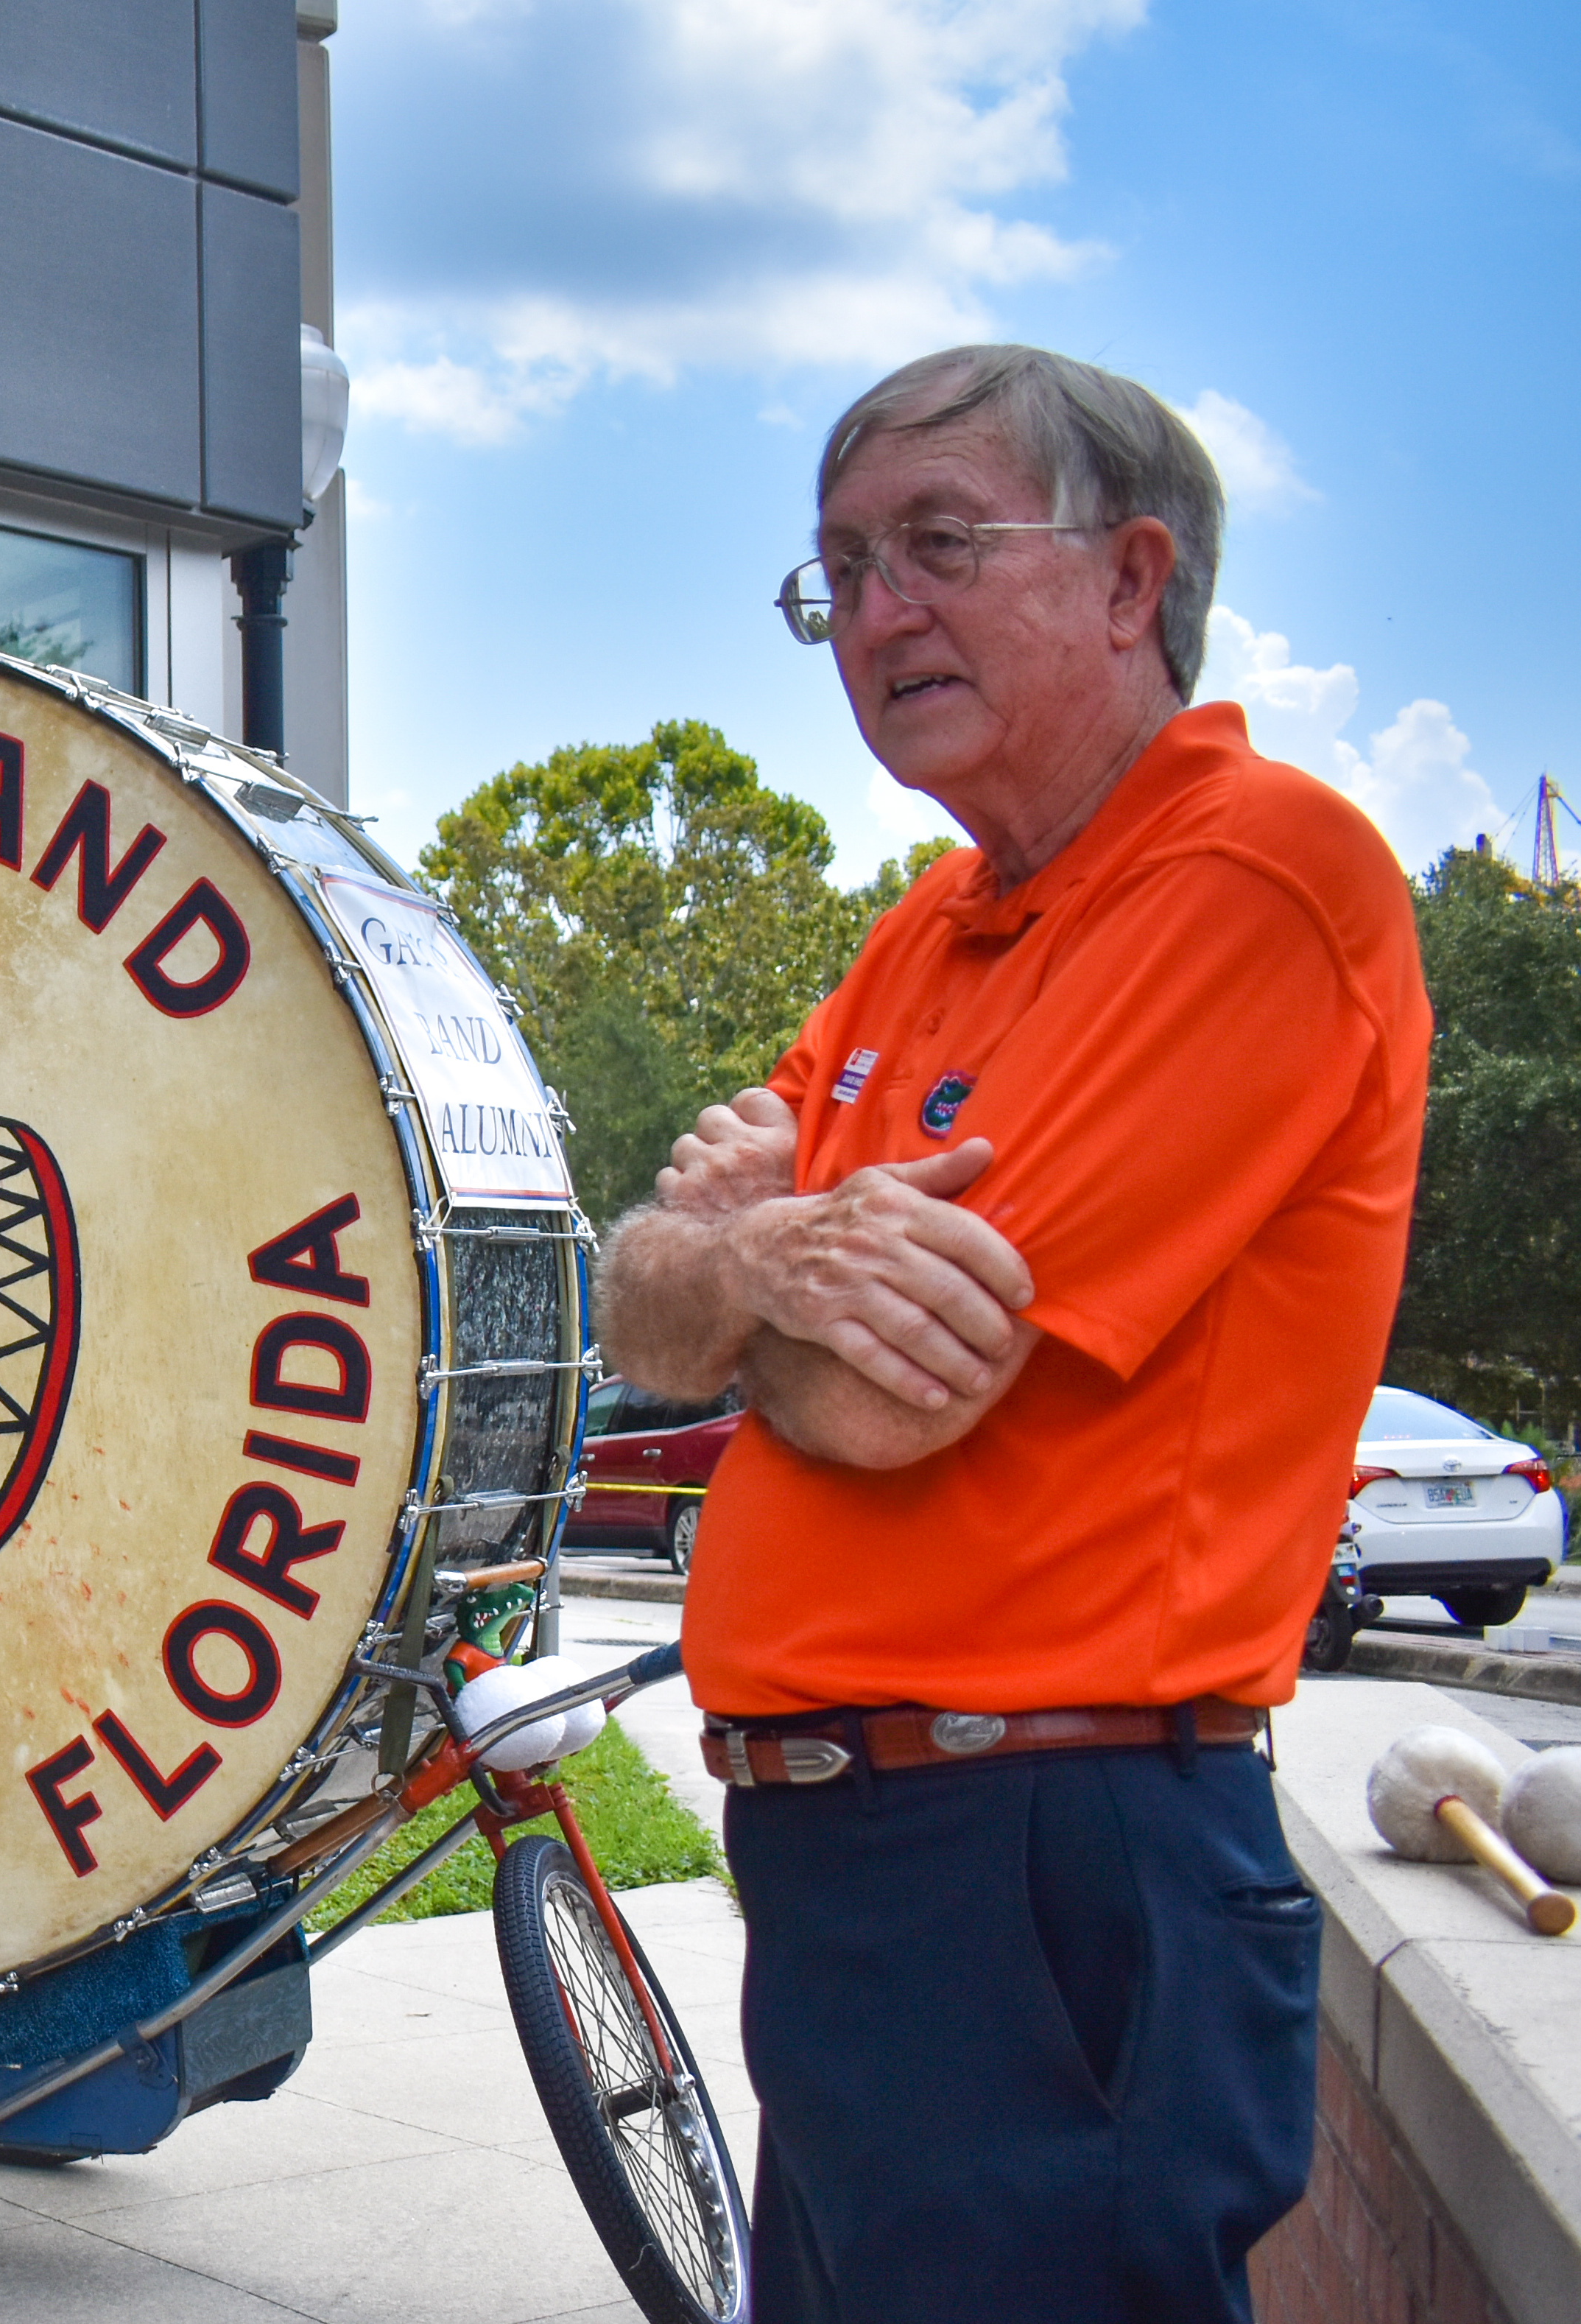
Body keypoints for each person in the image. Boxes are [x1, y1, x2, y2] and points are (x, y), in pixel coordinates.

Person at [595, 345, 1428, 2319]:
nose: (879, 614)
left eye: (941, 546)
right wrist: (756, 1265)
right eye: (842, 570)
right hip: (882, 1865)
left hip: (1047, 1861)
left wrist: (748, 1271)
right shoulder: (925, 932)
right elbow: (646, 1300)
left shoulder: (1249, 878)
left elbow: (889, 1406)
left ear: (1133, 580)